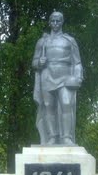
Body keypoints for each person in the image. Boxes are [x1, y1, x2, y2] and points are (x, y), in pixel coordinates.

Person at [32, 11, 83, 145]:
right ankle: (52, 137)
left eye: (58, 21)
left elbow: (77, 62)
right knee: (48, 106)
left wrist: (78, 76)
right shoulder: (42, 42)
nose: (55, 23)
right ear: (49, 22)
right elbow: (34, 62)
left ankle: (66, 137)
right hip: (47, 75)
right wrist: (39, 63)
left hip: (65, 75)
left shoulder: (69, 40)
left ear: (62, 22)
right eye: (53, 21)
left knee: (66, 104)